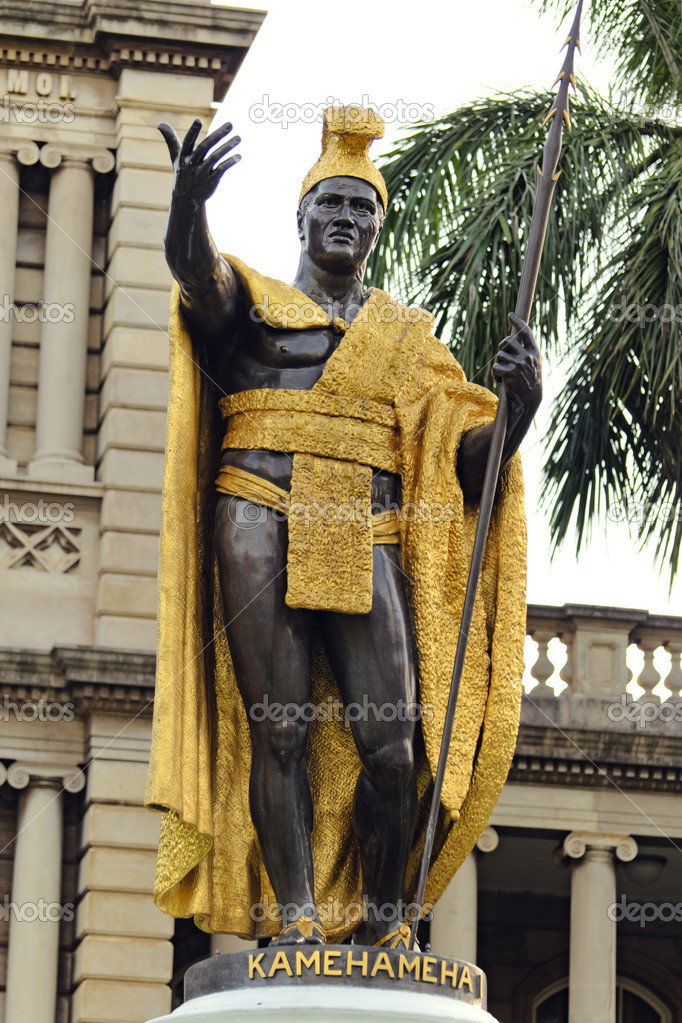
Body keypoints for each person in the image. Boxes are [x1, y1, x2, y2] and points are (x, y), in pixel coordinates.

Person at [146, 106, 541, 948]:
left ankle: (384, 919)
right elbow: (198, 277)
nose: (345, 217)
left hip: (367, 527)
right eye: (331, 201)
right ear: (301, 216)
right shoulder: (255, 306)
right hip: (257, 505)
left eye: (362, 208)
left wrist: (518, 408)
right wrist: (189, 206)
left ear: (376, 231)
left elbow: (467, 467)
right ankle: (292, 918)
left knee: (394, 744)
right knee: (278, 726)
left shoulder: (404, 342)